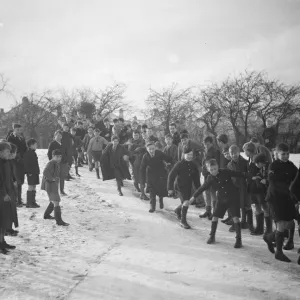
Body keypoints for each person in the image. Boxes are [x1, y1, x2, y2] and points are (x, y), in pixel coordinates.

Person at [190, 159, 245, 248]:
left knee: (235, 218)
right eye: (211, 170)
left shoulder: (225, 172)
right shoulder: (209, 178)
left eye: (215, 169)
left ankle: (239, 240)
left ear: (218, 167)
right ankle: (212, 236)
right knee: (214, 217)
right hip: (221, 199)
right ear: (208, 170)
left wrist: (249, 176)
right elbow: (203, 187)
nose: (214, 171)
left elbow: (239, 174)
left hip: (233, 197)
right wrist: (194, 197)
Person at [263, 143, 298, 262]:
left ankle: (268, 237)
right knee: (281, 224)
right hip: (275, 198)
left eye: (287, 154)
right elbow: (273, 182)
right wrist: (289, 191)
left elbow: (297, 177)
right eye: (283, 154)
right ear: (276, 154)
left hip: (286, 197)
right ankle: (279, 252)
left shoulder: (291, 165)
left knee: (289, 223)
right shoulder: (274, 165)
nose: (285, 156)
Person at [167, 148, 200, 229]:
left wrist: (199, 188)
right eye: (188, 154)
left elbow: (196, 178)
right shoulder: (179, 164)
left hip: (188, 186)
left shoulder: (193, 165)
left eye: (191, 155)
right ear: (183, 154)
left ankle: (178, 210)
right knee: (186, 202)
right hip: (179, 186)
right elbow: (171, 176)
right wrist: (169, 188)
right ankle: (183, 221)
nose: (189, 156)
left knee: (186, 202)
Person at [140, 141, 173, 212]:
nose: (151, 151)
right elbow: (142, 169)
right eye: (149, 149)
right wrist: (142, 181)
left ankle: (161, 199)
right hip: (151, 175)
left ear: (155, 148)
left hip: (161, 174)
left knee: (160, 190)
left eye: (153, 148)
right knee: (152, 192)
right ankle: (152, 207)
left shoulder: (159, 153)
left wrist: (170, 163)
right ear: (147, 149)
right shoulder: (145, 156)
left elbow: (168, 158)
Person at [41, 149, 69, 226]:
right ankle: (59, 221)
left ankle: (46, 215)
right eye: (57, 156)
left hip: (52, 185)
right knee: (56, 201)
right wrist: (52, 179)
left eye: (60, 157)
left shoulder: (55, 163)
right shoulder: (51, 163)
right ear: (53, 156)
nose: (59, 158)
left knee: (53, 200)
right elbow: (45, 172)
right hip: (50, 185)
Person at [227, 145, 252, 230]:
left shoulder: (245, 162)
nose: (234, 155)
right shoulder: (229, 164)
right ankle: (235, 223)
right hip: (234, 188)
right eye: (232, 153)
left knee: (244, 205)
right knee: (235, 205)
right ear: (229, 154)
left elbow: (248, 175)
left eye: (236, 153)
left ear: (239, 152)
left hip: (243, 187)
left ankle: (245, 222)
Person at [243, 142, 266, 234]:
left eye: (245, 150)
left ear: (249, 150)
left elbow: (259, 173)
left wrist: (254, 177)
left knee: (260, 207)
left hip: (257, 187)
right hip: (252, 187)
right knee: (257, 206)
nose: (244, 152)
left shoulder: (256, 159)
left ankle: (260, 229)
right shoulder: (250, 159)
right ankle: (259, 228)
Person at [0, 141, 16, 254]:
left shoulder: (5, 162)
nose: (8, 153)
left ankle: (2, 241)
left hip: (7, 193)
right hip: (2, 195)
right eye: (7, 151)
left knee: (5, 219)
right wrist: (3, 194)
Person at [7, 123, 27, 207]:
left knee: (21, 181)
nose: (19, 131)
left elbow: (25, 148)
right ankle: (15, 200)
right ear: (14, 129)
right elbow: (10, 149)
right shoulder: (10, 138)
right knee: (15, 180)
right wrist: (17, 156)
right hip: (14, 161)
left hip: (22, 162)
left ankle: (19, 199)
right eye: (18, 130)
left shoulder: (22, 137)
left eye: (20, 130)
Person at [252, 153, 272, 236]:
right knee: (258, 208)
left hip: (264, 192)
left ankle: (269, 229)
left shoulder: (267, 167)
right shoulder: (255, 167)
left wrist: (266, 181)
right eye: (262, 163)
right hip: (256, 191)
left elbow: (270, 178)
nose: (264, 164)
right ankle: (259, 228)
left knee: (266, 209)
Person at [200, 136, 219, 220]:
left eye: (207, 144)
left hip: (211, 175)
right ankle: (208, 211)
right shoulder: (205, 151)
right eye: (204, 144)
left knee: (212, 192)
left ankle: (215, 212)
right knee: (207, 192)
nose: (206, 145)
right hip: (205, 175)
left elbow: (215, 164)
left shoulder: (215, 151)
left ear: (211, 143)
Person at [48, 130, 67, 196]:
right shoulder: (52, 144)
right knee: (55, 177)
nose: (59, 137)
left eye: (60, 135)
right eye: (57, 135)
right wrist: (52, 162)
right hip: (55, 162)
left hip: (63, 163)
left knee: (62, 177)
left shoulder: (63, 143)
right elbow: (49, 154)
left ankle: (62, 190)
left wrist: (66, 160)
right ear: (55, 136)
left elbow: (65, 152)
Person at [6, 143, 19, 236]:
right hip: (6, 190)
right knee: (7, 210)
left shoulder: (11, 162)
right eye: (14, 153)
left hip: (11, 189)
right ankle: (6, 229)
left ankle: (9, 228)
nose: (15, 155)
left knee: (11, 210)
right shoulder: (5, 163)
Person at [23, 138, 40, 208]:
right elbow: (26, 164)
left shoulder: (33, 152)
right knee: (30, 186)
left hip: (35, 172)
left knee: (34, 186)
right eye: (35, 144)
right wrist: (28, 172)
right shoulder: (28, 153)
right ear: (31, 145)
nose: (37, 146)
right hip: (31, 173)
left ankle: (33, 201)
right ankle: (29, 203)